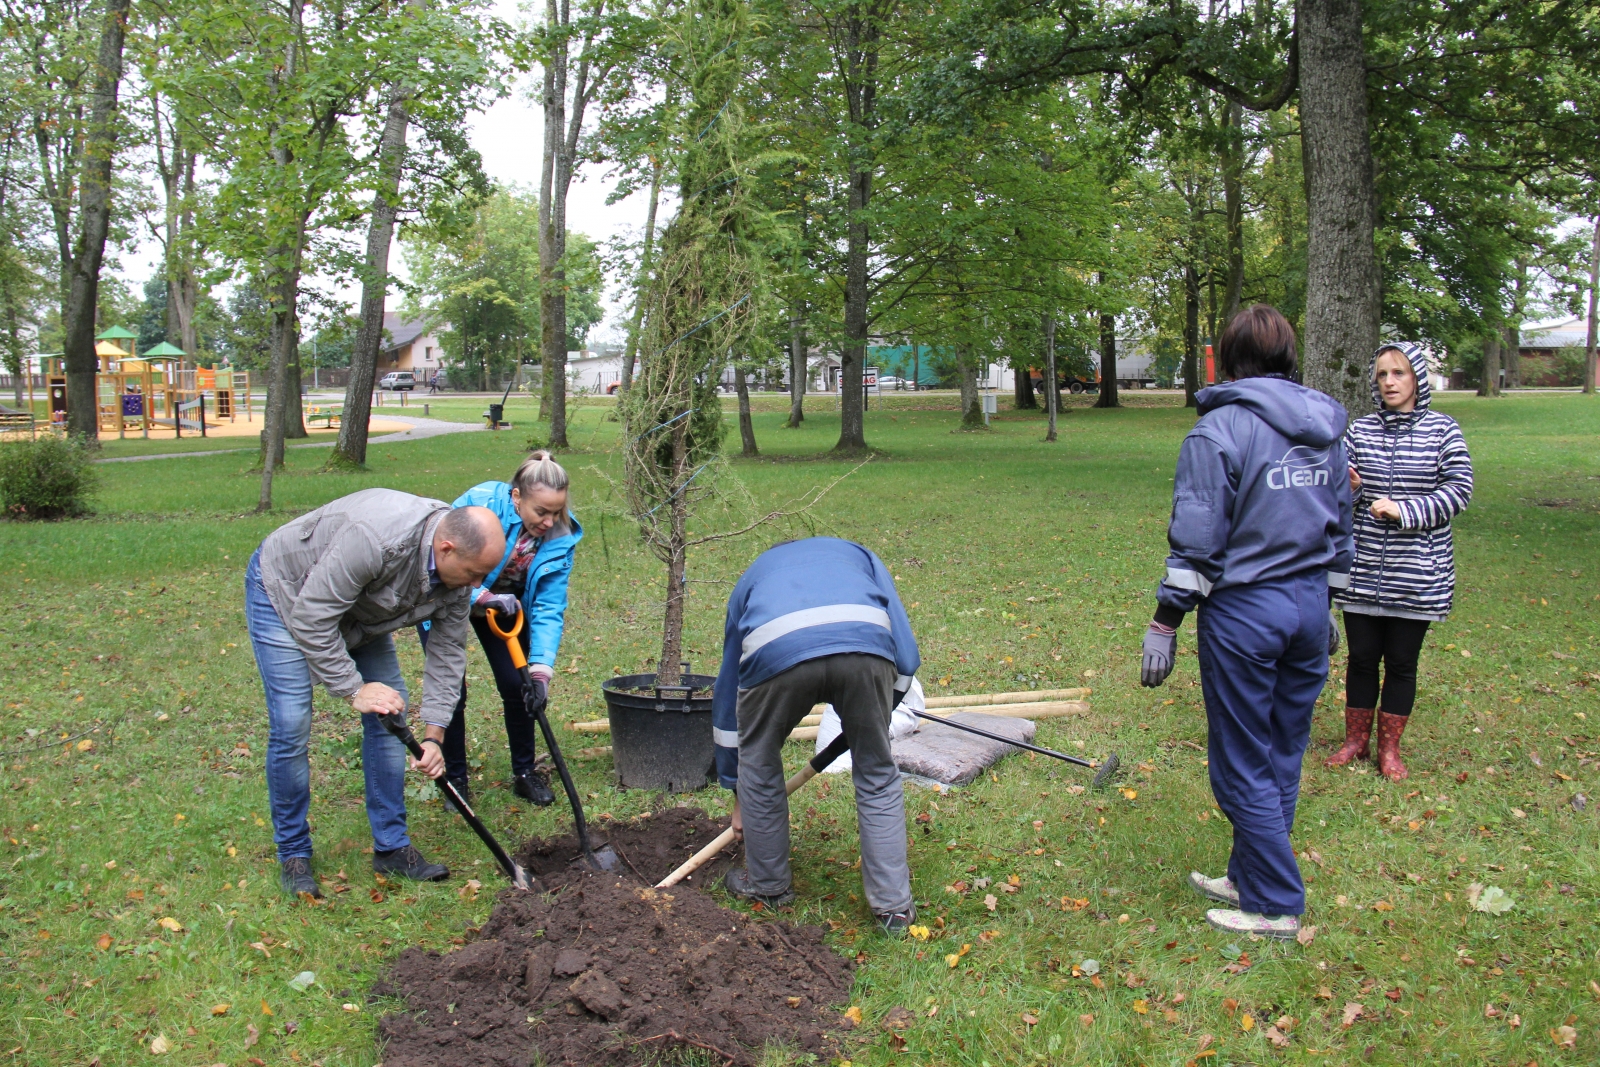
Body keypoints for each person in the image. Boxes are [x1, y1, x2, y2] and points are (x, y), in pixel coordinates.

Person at [1140, 304, 1352, 941]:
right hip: (1309, 608)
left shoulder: (1220, 431)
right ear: (1288, 354)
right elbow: (1341, 529)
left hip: (1247, 613)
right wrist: (1329, 607)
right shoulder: (1326, 429)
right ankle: (1249, 875)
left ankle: (1277, 904)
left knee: (1239, 760)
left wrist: (1164, 623)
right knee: (1283, 748)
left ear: (1228, 357)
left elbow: (1198, 544)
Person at [246, 489, 506, 898]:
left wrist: (434, 736)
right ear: (446, 547)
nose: (476, 586)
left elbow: (448, 653)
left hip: (360, 609)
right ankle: (294, 853)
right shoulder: (375, 540)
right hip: (286, 592)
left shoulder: (457, 578)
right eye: (474, 574)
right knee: (293, 722)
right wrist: (353, 689)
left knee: (390, 717)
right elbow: (313, 617)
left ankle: (392, 848)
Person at [713, 537, 920, 934]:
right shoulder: (861, 555)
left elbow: (728, 699)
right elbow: (906, 657)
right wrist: (879, 712)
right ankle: (893, 909)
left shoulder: (753, 575)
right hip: (865, 647)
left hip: (776, 652)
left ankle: (769, 887)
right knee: (877, 772)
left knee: (758, 760)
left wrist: (737, 785)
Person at [1327, 343, 1472, 781]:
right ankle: (1355, 741)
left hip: (1418, 573)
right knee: (1362, 658)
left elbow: (1459, 490)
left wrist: (1403, 510)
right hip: (1365, 570)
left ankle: (1389, 750)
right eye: (1383, 374)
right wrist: (1351, 490)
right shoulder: (1360, 432)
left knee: (1402, 663)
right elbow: (1338, 495)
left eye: (1399, 373)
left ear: (1417, 380)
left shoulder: (1443, 431)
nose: (1389, 382)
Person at [419, 451, 582, 807]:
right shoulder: (480, 505)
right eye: (542, 511)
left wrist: (540, 673)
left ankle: (524, 773)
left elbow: (549, 606)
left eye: (556, 511)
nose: (549, 520)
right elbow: (444, 558)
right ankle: (455, 780)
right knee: (452, 690)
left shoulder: (560, 535)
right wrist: (482, 595)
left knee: (518, 685)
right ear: (517, 497)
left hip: (505, 607)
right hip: (450, 595)